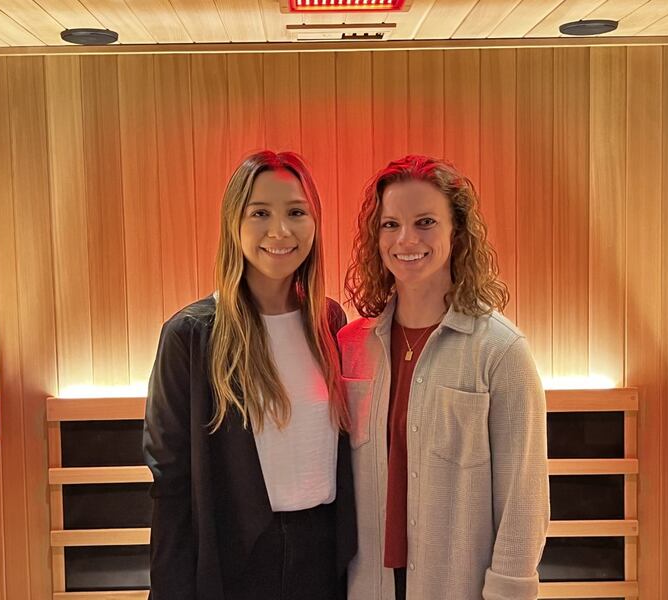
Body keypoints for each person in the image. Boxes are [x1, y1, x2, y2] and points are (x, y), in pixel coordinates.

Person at [143, 150, 356, 600]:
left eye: (296, 212)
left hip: (324, 556)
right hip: (237, 561)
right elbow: (171, 482)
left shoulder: (330, 323)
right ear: (233, 224)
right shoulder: (193, 334)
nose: (279, 231)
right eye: (260, 213)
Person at [340, 155, 549, 600]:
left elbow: (523, 499)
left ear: (457, 234)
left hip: (457, 585)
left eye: (426, 222)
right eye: (391, 224)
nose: (406, 240)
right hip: (365, 585)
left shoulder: (501, 351)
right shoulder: (350, 346)